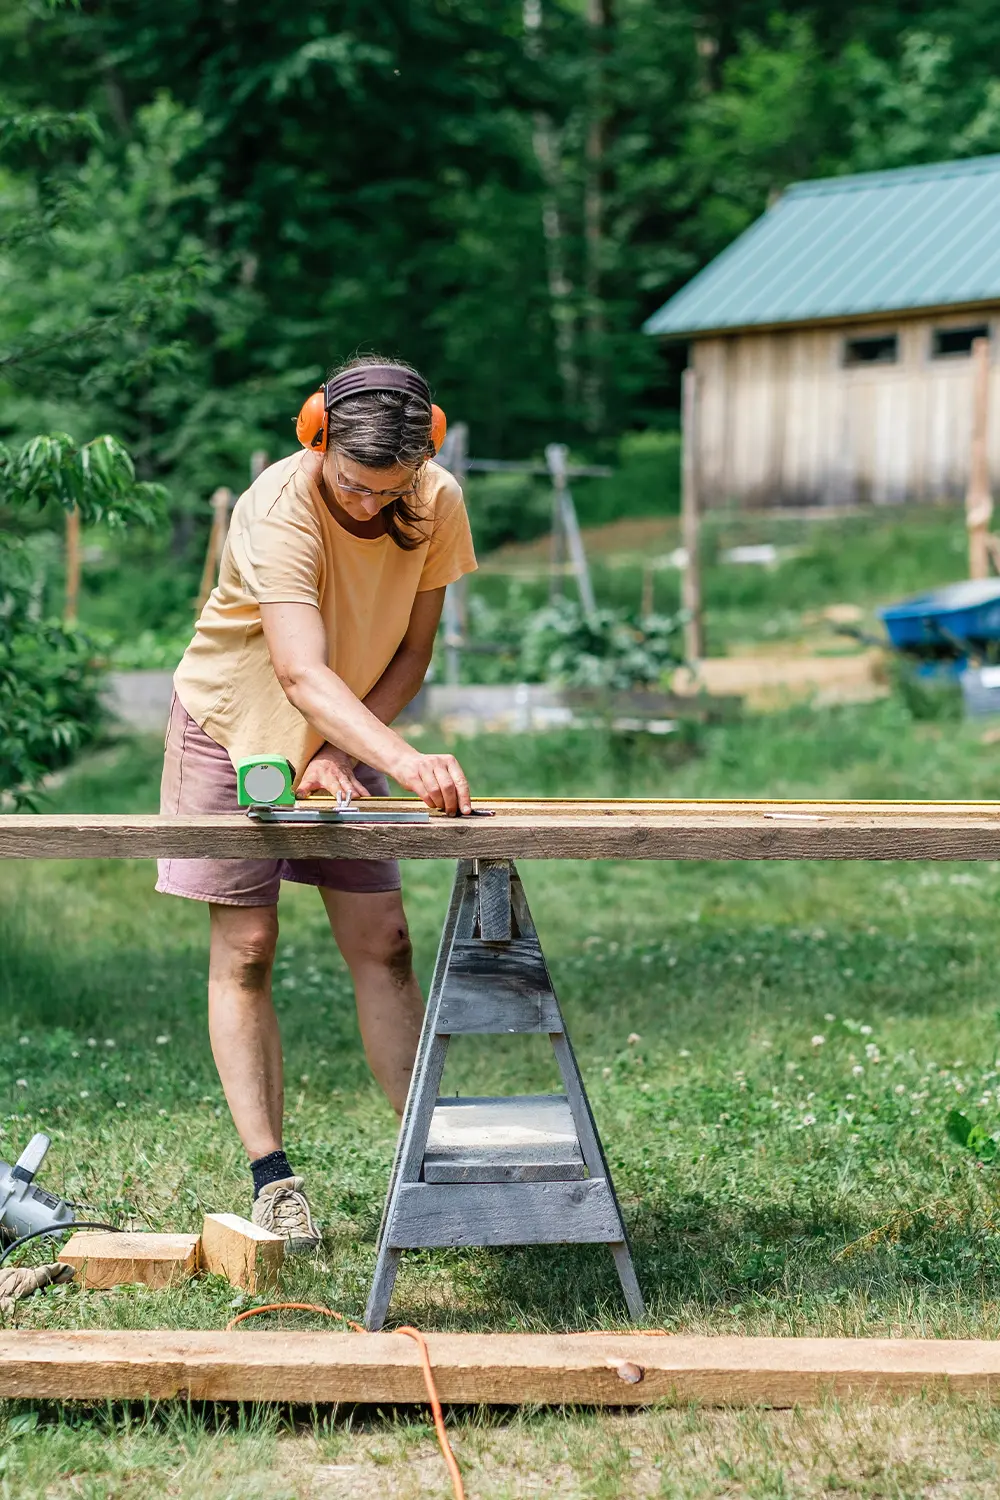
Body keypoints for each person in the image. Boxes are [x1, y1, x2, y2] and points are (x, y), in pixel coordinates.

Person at [156, 356, 477, 1250]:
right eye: (355, 484)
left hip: (350, 727)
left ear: (424, 458)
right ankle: (273, 1180)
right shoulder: (278, 506)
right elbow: (298, 669)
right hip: (238, 725)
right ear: (317, 435)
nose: (372, 504)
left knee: (386, 942)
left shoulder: (436, 499)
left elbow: (411, 653)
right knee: (248, 947)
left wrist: (348, 748)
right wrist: (406, 762)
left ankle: (435, 1165)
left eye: (393, 487)